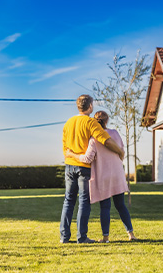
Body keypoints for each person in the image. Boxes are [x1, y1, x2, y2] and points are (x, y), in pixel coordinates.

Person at [60, 95, 124, 244]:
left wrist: (72, 155)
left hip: (69, 165)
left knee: (68, 200)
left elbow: (65, 149)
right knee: (83, 201)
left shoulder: (68, 123)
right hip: (84, 168)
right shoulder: (90, 122)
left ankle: (64, 237)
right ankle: (81, 237)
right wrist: (119, 152)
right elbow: (106, 141)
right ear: (90, 107)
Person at [66, 111, 137, 243]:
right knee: (121, 205)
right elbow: (121, 150)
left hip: (103, 177)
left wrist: (72, 155)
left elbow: (87, 159)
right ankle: (131, 234)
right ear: (106, 121)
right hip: (117, 174)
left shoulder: (93, 139)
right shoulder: (115, 133)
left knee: (105, 207)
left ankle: (106, 237)